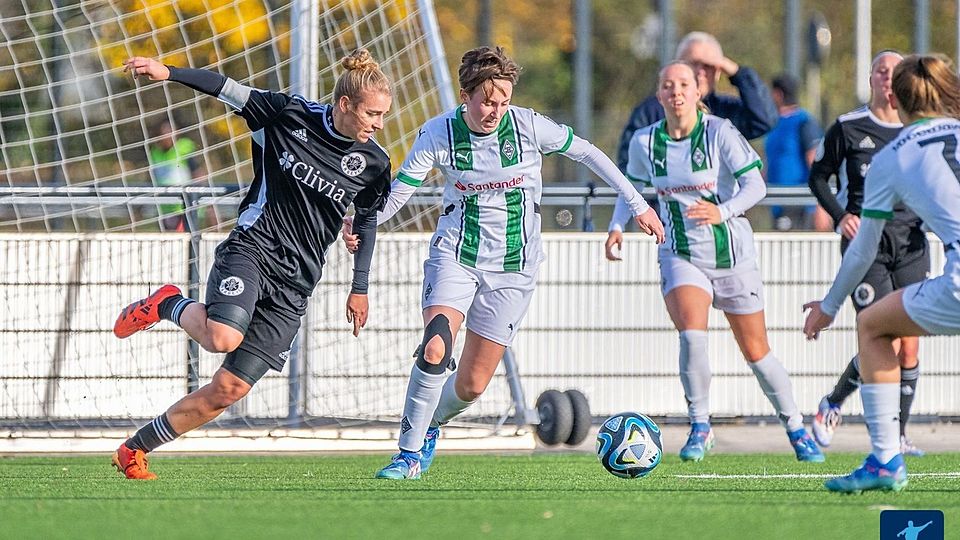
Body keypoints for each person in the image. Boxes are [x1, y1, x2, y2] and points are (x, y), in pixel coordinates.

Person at [344, 46, 664, 480]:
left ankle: (431, 422)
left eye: (504, 101)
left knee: (472, 385)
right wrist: (360, 220)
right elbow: (399, 193)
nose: (496, 111)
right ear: (466, 96)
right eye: (487, 101)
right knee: (436, 346)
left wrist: (638, 204)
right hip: (456, 255)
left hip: (515, 267)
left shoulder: (528, 126)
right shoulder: (438, 134)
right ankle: (408, 455)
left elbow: (588, 153)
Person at [111, 49, 393, 479]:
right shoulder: (287, 113)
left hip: (297, 283)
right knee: (222, 337)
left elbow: (367, 218)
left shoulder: (374, 162)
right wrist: (168, 72)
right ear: (345, 104)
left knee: (229, 389)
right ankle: (167, 303)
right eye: (372, 114)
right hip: (253, 250)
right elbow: (226, 88)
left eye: (383, 115)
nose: (379, 124)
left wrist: (360, 287)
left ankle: (134, 449)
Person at [606, 61, 824, 463]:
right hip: (680, 252)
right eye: (668, 85)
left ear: (697, 92)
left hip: (732, 255)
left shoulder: (719, 132)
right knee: (692, 334)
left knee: (757, 352)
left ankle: (796, 427)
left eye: (683, 84)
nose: (676, 92)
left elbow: (755, 185)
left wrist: (721, 211)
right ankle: (700, 426)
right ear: (659, 95)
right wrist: (617, 226)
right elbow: (631, 189)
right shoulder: (644, 142)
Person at [804, 53, 960, 493]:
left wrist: (829, 305)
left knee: (872, 326)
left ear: (896, 99)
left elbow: (861, 249)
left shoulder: (893, 157)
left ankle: (886, 460)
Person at [616, 31, 778, 174]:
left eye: (708, 66)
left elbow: (764, 120)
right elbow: (629, 165)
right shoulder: (651, 111)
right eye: (693, 64)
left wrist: (737, 72)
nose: (700, 72)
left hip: (720, 200)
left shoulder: (725, 113)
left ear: (718, 72)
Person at [764, 74, 831, 231]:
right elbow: (772, 163)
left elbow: (816, 164)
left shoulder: (803, 122)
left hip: (801, 204)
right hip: (778, 203)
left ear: (778, 94)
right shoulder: (773, 124)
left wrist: (822, 205)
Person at [148, 119, 206, 232]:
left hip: (184, 207)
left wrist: (198, 196)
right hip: (165, 208)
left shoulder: (184, 148)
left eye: (170, 132)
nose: (167, 135)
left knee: (184, 238)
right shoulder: (155, 152)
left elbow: (198, 173)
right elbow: (151, 178)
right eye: (164, 133)